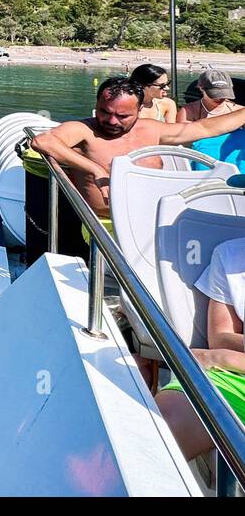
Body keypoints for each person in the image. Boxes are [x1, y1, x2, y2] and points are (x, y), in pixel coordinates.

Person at [31, 77, 245, 220]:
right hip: (107, 223)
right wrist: (95, 169)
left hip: (155, 216)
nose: (112, 121)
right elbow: (43, 141)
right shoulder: (83, 130)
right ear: (96, 105)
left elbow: (205, 128)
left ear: (140, 109)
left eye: (123, 116)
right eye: (105, 112)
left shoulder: (152, 129)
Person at [156, 236, 245, 460]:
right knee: (165, 420)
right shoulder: (230, 255)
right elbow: (221, 337)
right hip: (237, 377)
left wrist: (223, 359)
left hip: (234, 362)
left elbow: (218, 352)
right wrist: (221, 357)